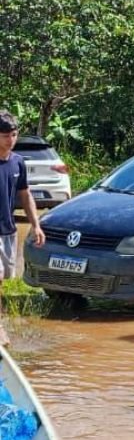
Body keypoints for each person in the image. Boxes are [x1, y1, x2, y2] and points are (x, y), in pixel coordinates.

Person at [0, 111, 45, 344]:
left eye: (14, 135)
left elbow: (25, 195)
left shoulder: (18, 162)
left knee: (6, 278)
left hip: (9, 230)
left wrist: (36, 225)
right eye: (6, 135)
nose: (11, 139)